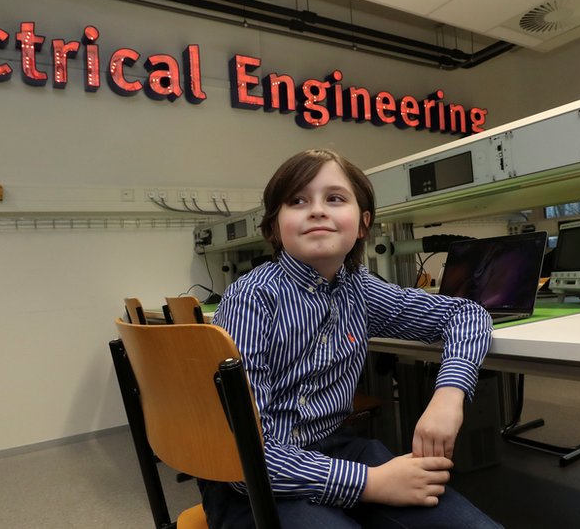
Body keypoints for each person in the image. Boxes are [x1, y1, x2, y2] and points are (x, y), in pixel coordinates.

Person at [204, 148, 500, 528]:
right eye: (297, 201)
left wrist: (449, 396)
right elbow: (243, 459)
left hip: (337, 447)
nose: (317, 210)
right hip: (255, 478)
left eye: (335, 198)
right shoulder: (251, 298)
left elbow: (466, 314)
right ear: (274, 226)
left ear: (362, 224)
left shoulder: (360, 288)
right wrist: (371, 482)